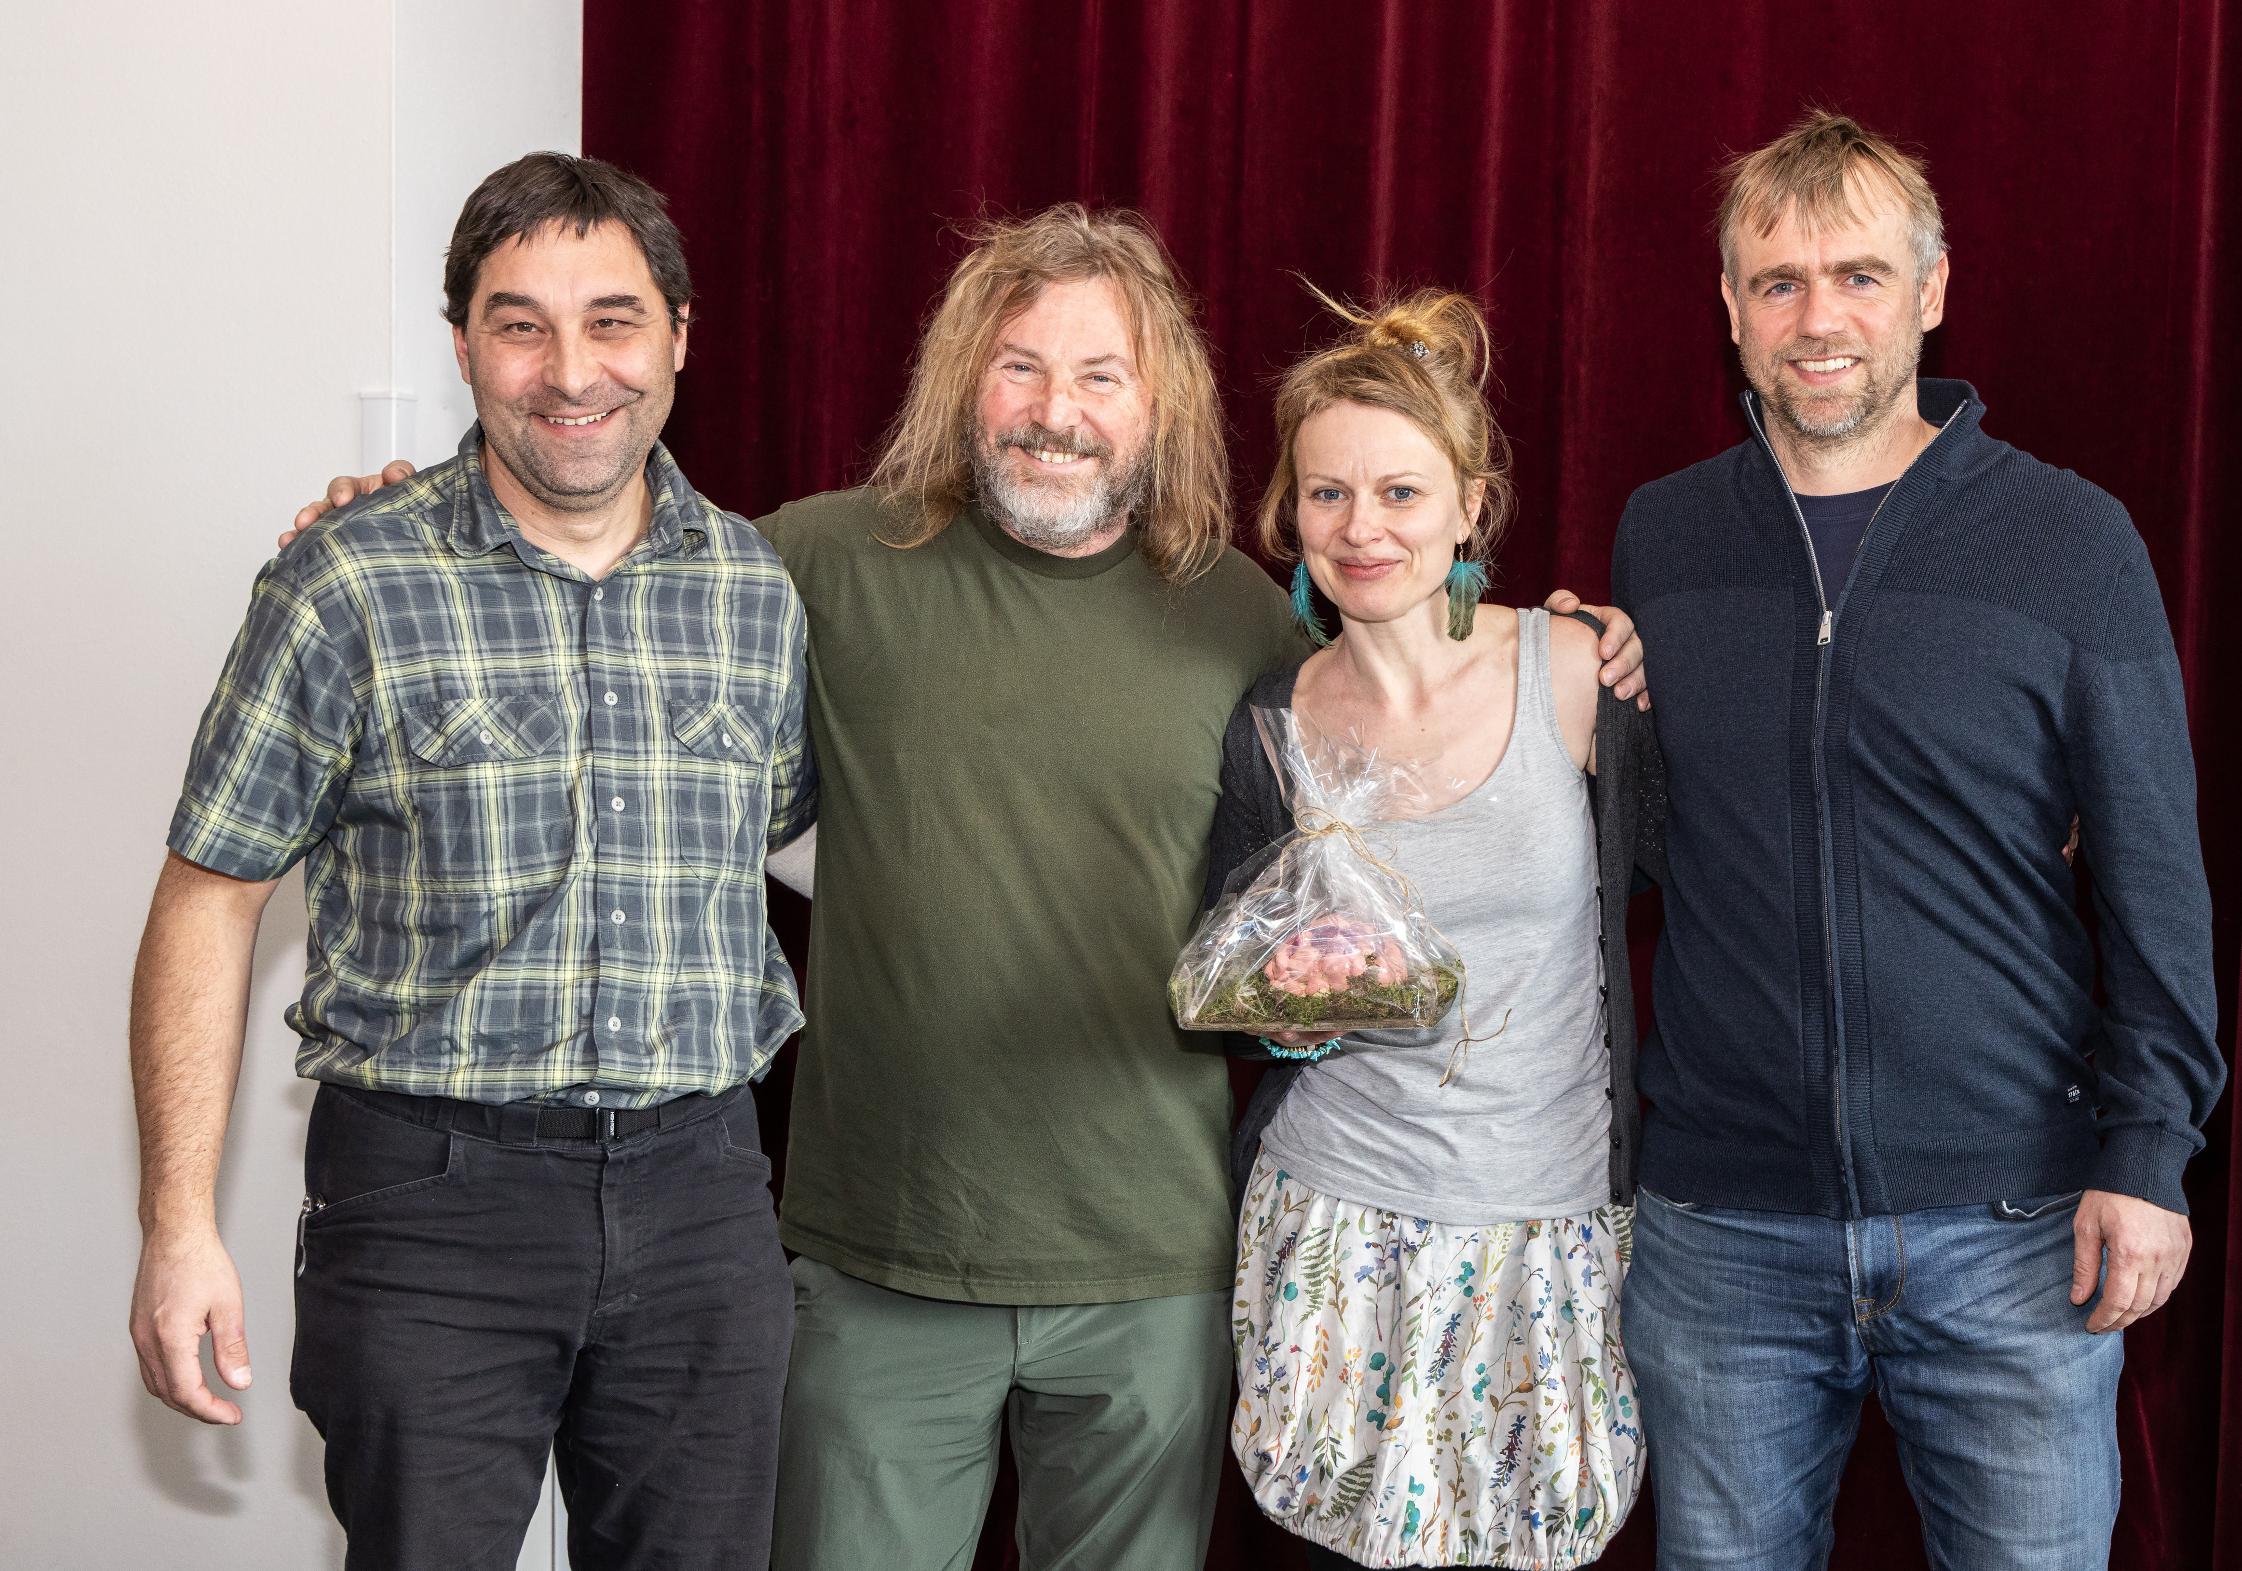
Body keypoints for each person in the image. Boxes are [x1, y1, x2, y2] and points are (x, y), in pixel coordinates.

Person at [301, 204, 1651, 1571]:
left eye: (1100, 375)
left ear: (1159, 404)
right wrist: (409, 510)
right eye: (1020, 366)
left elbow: (1378, 786)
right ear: (964, 378)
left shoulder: (1244, 619)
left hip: (1155, 1266)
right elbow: (597, 547)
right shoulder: (815, 563)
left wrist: (1582, 643)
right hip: (882, 1253)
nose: (1056, 411)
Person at [132, 152, 814, 1570]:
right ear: (462, 347)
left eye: (614, 321)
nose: (571, 372)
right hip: (432, 1206)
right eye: (520, 325)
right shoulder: (345, 580)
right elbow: (210, 897)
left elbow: (792, 838)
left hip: (702, 1194)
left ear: (680, 337)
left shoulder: (756, 589)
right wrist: (177, 1225)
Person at [1597, 111, 2225, 1569]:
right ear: (1731, 309)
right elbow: (1666, 851)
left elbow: (2156, 880)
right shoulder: (1664, 536)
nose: (1820, 320)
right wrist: (1573, 703)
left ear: (1932, 292)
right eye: (1780, 283)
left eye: (1860, 277)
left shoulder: (2070, 542)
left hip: (2013, 1223)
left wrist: (2149, 1151)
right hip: (1722, 1230)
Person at [1204, 289, 1664, 1570]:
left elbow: (1699, 877)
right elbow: (1229, 986)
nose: (1363, 529)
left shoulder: (1576, 669)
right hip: (1333, 1218)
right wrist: (1297, 998)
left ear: (1470, 507)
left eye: (1401, 493)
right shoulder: (1272, 726)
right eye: (1329, 493)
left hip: (1543, 1223)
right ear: (1290, 513)